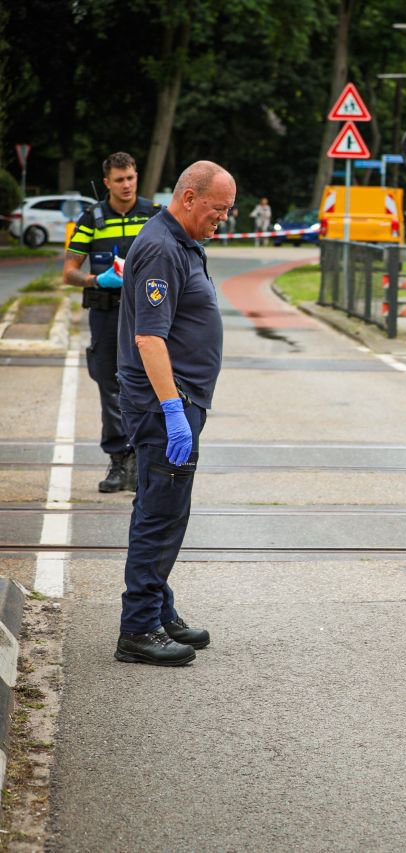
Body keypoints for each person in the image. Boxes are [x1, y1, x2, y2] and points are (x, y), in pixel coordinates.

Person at [113, 160, 235, 666]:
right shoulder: (163, 248)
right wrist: (171, 408)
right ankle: (139, 627)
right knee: (160, 515)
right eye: (217, 208)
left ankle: (158, 609)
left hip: (179, 400)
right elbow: (149, 337)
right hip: (165, 404)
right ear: (188, 198)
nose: (223, 218)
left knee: (164, 509)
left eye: (227, 210)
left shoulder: (181, 241)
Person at [63, 152, 161, 493]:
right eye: (119, 180)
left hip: (146, 314)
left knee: (149, 385)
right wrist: (96, 280)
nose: (126, 185)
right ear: (107, 182)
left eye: (131, 177)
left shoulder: (154, 215)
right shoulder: (91, 218)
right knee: (110, 387)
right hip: (106, 313)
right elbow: (69, 272)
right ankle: (118, 461)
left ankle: (143, 461)